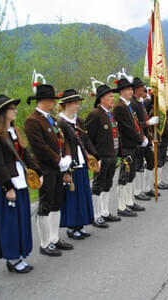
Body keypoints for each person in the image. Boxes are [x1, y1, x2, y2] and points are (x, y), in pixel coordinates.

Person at [0, 95, 42, 273]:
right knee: (10, 222)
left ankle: (20, 254)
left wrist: (37, 172)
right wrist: (7, 187)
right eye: (12, 108)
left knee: (21, 218)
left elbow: (25, 155)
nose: (15, 111)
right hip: (9, 182)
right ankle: (12, 258)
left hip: (21, 179)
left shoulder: (15, 131)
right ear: (4, 113)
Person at [24, 84, 74, 257]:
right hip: (45, 168)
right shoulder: (33, 121)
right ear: (43, 101)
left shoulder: (51, 119)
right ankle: (45, 242)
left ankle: (54, 238)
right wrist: (58, 159)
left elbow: (64, 139)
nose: (54, 102)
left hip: (58, 168)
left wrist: (67, 157)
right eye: (51, 99)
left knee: (56, 203)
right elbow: (40, 147)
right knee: (45, 205)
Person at [57, 89, 98, 239]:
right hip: (70, 165)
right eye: (75, 103)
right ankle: (72, 227)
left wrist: (94, 155)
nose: (77, 106)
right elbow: (61, 146)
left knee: (82, 195)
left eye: (77, 103)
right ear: (67, 104)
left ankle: (80, 225)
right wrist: (65, 171)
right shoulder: (60, 123)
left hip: (82, 162)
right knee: (72, 197)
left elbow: (86, 140)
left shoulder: (79, 121)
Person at [85, 84, 122, 228]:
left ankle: (105, 211)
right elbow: (88, 137)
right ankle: (96, 215)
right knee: (98, 185)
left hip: (112, 154)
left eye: (113, 96)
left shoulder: (109, 114)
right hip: (101, 156)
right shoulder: (95, 114)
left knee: (108, 184)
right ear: (101, 99)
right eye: (110, 97)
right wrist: (93, 157)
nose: (113, 99)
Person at [113, 78, 146, 217]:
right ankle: (121, 205)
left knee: (131, 174)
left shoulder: (128, 105)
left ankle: (129, 201)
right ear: (122, 91)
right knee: (124, 175)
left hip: (133, 144)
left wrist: (142, 137)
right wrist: (140, 139)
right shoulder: (120, 107)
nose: (131, 91)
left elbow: (136, 123)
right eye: (128, 89)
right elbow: (128, 128)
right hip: (126, 144)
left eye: (132, 89)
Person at [131, 77, 159, 199]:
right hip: (139, 138)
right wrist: (147, 123)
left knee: (151, 161)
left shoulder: (139, 101)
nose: (144, 89)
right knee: (139, 165)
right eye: (142, 87)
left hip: (146, 137)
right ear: (137, 89)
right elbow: (135, 123)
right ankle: (138, 191)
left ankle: (147, 188)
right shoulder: (133, 103)